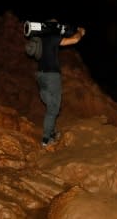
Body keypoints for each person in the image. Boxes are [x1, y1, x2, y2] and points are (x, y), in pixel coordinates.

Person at [36, 19, 85, 147]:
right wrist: (79, 32)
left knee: (51, 105)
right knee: (53, 108)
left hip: (40, 74)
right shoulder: (52, 36)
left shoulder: (41, 37)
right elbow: (74, 40)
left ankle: (51, 132)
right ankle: (46, 140)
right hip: (52, 75)